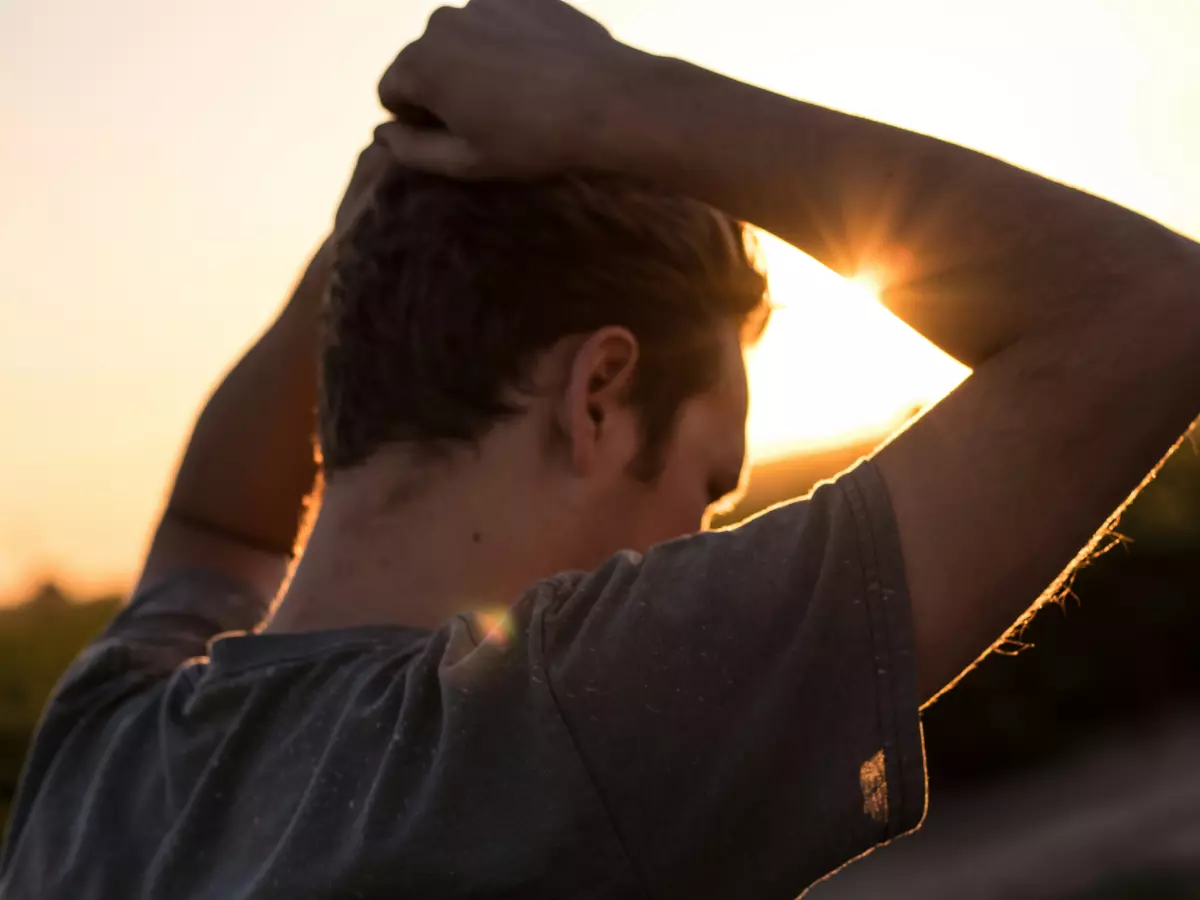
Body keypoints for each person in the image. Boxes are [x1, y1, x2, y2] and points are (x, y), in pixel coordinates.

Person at [3, 0, 1198, 896]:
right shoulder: (552, 735)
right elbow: (1151, 313)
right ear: (598, 394)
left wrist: (378, 223)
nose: (706, 535)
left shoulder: (103, 747)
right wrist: (618, 103)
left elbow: (217, 523)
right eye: (711, 483)